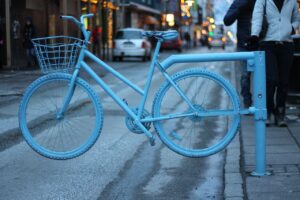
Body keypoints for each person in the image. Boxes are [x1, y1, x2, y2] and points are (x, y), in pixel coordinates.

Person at [249, 0, 300, 126]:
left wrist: (291, 28)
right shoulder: (263, 1)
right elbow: (257, 18)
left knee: (284, 82)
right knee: (271, 80)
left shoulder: (292, 1)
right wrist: (255, 35)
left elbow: (296, 18)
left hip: (287, 44)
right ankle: (268, 110)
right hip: (268, 44)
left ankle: (280, 112)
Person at [223, 0, 256, 108]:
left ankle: (265, 105)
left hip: (262, 44)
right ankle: (247, 101)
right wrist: (241, 6)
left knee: (267, 77)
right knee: (245, 76)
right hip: (244, 45)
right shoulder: (239, 2)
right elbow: (227, 20)